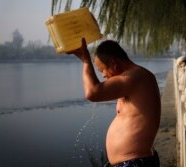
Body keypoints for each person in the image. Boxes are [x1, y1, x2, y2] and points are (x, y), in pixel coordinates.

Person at [69, 38, 161, 167]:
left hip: (135, 162)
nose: (103, 76)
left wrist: (85, 59)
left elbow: (93, 92)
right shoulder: (133, 79)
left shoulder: (135, 76)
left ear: (114, 63)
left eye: (102, 70)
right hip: (131, 161)